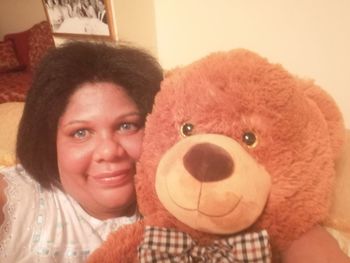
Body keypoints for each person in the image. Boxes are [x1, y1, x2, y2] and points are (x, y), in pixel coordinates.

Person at [0, 41, 163, 262]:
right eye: (81, 132)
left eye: (127, 126)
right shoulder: (18, 200)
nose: (109, 151)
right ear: (50, 143)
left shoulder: (182, 199)